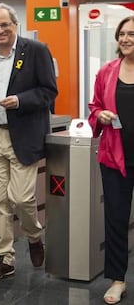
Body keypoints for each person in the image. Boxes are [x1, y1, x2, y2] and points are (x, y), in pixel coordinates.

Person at [0, 3, 57, 283]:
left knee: (20, 198)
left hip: (24, 136)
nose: (0, 31)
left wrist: (20, 101)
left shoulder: (36, 51)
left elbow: (48, 92)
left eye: (4, 25)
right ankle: (5, 258)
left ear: (15, 24)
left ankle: (34, 236)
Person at [88, 15, 134, 305]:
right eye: (122, 34)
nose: (126, 39)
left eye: (132, 34)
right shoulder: (107, 71)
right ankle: (118, 279)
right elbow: (94, 107)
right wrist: (100, 115)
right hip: (115, 159)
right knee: (116, 220)